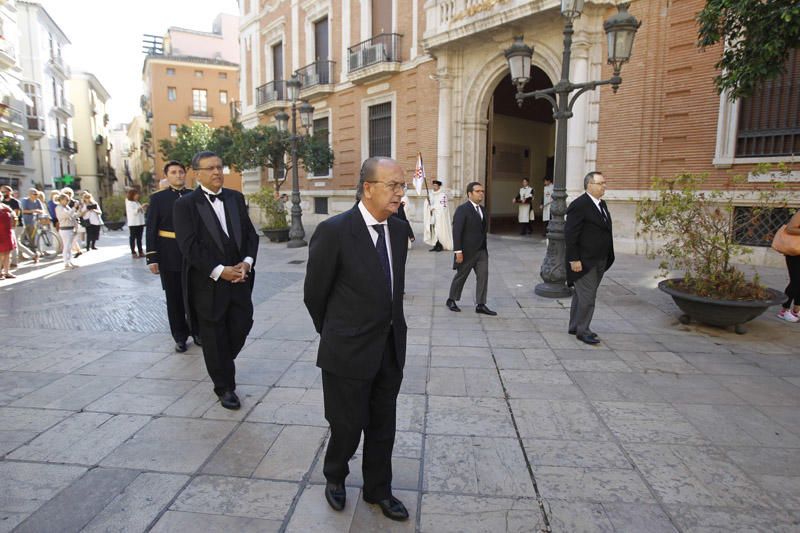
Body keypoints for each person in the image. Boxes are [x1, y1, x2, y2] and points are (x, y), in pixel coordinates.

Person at [304, 157, 410, 522]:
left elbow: (393, 290)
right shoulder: (334, 231)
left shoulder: (398, 231)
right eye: (393, 185)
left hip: (389, 348)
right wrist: (336, 334)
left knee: (384, 425)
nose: (400, 192)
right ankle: (335, 475)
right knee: (346, 425)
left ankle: (379, 489)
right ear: (368, 188)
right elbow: (314, 295)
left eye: (402, 185)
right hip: (346, 351)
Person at [173, 151, 259, 410]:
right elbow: (189, 246)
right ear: (196, 174)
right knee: (213, 337)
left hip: (240, 281)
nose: (217, 172)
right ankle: (225, 387)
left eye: (220, 167)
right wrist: (220, 270)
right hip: (207, 286)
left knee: (241, 326)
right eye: (210, 168)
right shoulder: (185, 205)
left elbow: (251, 237)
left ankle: (221, 361)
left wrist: (247, 262)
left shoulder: (235, 198)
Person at [146, 161, 199, 352]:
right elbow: (151, 228)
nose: (178, 175)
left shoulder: (194, 196)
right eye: (174, 172)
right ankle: (180, 336)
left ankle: (197, 331)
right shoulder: (158, 199)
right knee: (174, 297)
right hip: (169, 253)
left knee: (195, 295)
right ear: (167, 176)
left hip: (192, 253)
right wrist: (152, 257)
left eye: (181, 172)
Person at [565, 171, 615, 345]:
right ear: (589, 185)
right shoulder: (579, 205)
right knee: (588, 296)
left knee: (580, 295)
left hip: (600, 258)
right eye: (600, 183)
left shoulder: (601, 204)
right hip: (584, 260)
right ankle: (583, 331)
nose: (604, 186)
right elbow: (570, 235)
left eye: (604, 183)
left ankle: (574, 326)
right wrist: (574, 260)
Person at [446, 181, 497, 316]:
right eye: (478, 191)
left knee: (483, 277)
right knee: (461, 276)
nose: (481, 193)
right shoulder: (462, 210)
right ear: (470, 194)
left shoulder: (483, 210)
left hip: (481, 251)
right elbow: (457, 232)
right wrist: (458, 252)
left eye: (482, 191)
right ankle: (451, 300)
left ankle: (481, 304)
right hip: (466, 252)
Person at [777, 209, 800, 322]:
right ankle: (784, 310)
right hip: (795, 252)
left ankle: (796, 310)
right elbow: (790, 228)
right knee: (796, 281)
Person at [423, 179, 453, 252]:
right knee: (434, 230)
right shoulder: (431, 194)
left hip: (440, 217)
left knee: (439, 230)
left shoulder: (443, 195)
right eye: (433, 185)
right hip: (433, 216)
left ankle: (440, 245)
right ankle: (435, 244)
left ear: (439, 186)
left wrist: (433, 207)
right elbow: (428, 203)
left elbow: (443, 207)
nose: (434, 187)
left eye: (436, 185)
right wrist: (427, 202)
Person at [55, 193, 80, 269]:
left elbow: (72, 216)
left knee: (69, 247)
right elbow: (67, 215)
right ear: (61, 200)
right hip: (65, 229)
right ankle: (66, 263)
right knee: (67, 246)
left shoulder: (66, 207)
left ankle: (69, 261)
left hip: (70, 228)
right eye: (66, 200)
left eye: (68, 200)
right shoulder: (59, 208)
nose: (68, 201)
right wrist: (74, 208)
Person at [20, 188, 45, 262]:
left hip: (33, 221)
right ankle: (20, 255)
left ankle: (34, 254)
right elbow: (22, 211)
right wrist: (33, 211)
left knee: (32, 238)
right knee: (22, 238)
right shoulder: (25, 201)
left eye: (37, 194)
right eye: (34, 194)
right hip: (24, 221)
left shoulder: (37, 201)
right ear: (30, 194)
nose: (36, 195)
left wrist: (40, 211)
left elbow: (42, 210)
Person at [125, 189, 147, 257]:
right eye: (136, 195)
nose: (138, 196)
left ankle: (140, 251)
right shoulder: (129, 202)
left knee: (139, 238)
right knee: (133, 238)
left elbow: (141, 211)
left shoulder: (137, 202)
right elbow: (133, 212)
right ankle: (133, 252)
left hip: (140, 222)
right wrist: (142, 206)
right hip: (133, 223)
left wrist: (143, 208)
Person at [0, 201, 16, 279]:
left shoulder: (5, 206)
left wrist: (11, 212)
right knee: (1, 254)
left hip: (7, 232)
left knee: (7, 254)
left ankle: (6, 272)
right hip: (1, 233)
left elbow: (14, 215)